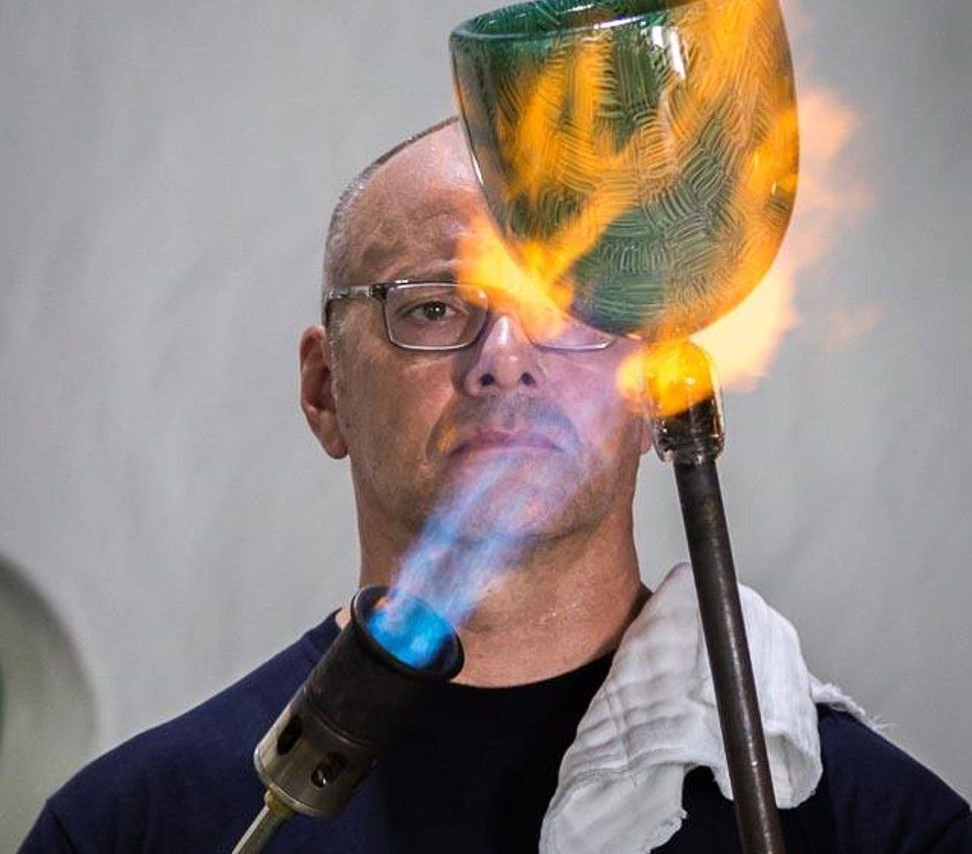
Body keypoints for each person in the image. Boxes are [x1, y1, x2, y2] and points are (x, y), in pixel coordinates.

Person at [20, 119, 971, 853]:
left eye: (567, 310)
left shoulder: (869, 826)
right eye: (434, 308)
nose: (504, 360)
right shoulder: (136, 828)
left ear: (654, 392)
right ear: (324, 391)